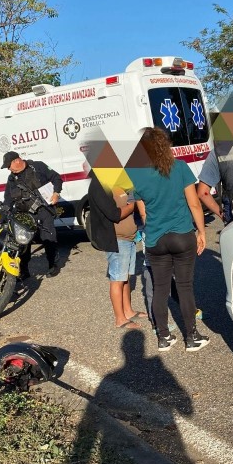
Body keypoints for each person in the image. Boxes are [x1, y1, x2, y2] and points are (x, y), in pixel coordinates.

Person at [130, 128, 209, 352]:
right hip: (182, 234)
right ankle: (192, 337)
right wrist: (201, 232)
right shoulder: (180, 168)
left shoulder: (137, 175)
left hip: (156, 239)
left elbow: (143, 213)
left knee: (160, 288)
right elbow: (194, 204)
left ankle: (163, 337)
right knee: (184, 287)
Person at [86, 175, 145, 329]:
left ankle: (128, 311)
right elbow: (114, 214)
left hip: (129, 237)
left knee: (125, 278)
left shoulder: (117, 182)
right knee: (117, 279)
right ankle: (120, 319)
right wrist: (132, 205)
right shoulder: (99, 185)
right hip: (117, 239)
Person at [1, 151, 62, 278]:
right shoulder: (12, 178)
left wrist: (56, 193)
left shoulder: (38, 166)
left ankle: (53, 265)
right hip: (24, 213)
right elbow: (8, 199)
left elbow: (56, 178)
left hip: (43, 210)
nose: (8, 169)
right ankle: (24, 271)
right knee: (23, 241)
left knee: (48, 237)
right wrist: (2, 218)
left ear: (16, 161)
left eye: (8, 166)